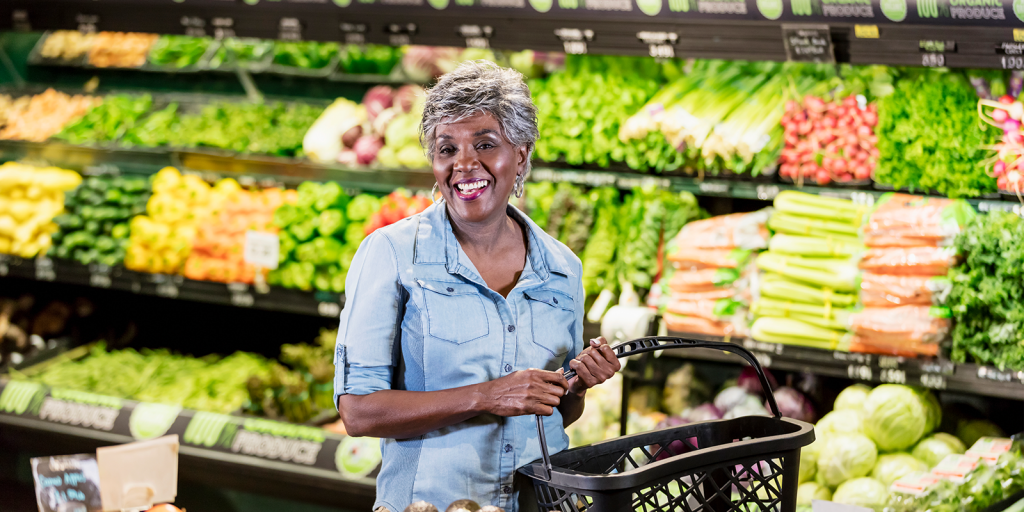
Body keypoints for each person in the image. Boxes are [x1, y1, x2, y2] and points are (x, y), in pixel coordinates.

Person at [334, 60, 621, 512]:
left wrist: (578, 385)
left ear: (521, 155)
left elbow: (555, 416)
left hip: (535, 503)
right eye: (446, 149)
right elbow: (358, 411)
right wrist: (487, 395)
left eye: (485, 144)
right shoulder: (391, 254)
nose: (464, 165)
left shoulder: (562, 267)